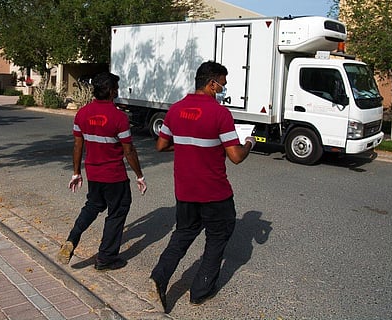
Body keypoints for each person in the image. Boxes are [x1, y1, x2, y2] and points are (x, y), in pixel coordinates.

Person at [148, 61, 256, 312]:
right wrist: (249, 142)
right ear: (211, 83)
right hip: (215, 193)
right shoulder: (220, 113)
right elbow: (236, 156)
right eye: (222, 84)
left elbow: (161, 146)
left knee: (183, 234)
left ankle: (159, 278)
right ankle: (200, 291)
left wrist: (189, 145)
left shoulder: (175, 110)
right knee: (217, 238)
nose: (223, 90)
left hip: (185, 191)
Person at [56, 71, 147, 271]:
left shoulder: (82, 114)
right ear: (112, 92)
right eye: (117, 88)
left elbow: (77, 146)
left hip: (93, 173)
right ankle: (106, 258)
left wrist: (76, 172)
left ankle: (72, 239)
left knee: (93, 205)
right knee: (118, 211)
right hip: (114, 175)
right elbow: (129, 150)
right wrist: (139, 175)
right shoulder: (119, 117)